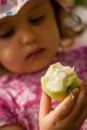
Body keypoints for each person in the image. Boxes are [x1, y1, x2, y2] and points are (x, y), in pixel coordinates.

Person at [0, 0, 87, 130]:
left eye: (37, 18)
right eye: (6, 33)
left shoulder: (84, 55)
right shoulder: (4, 101)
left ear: (56, 15)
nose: (29, 37)